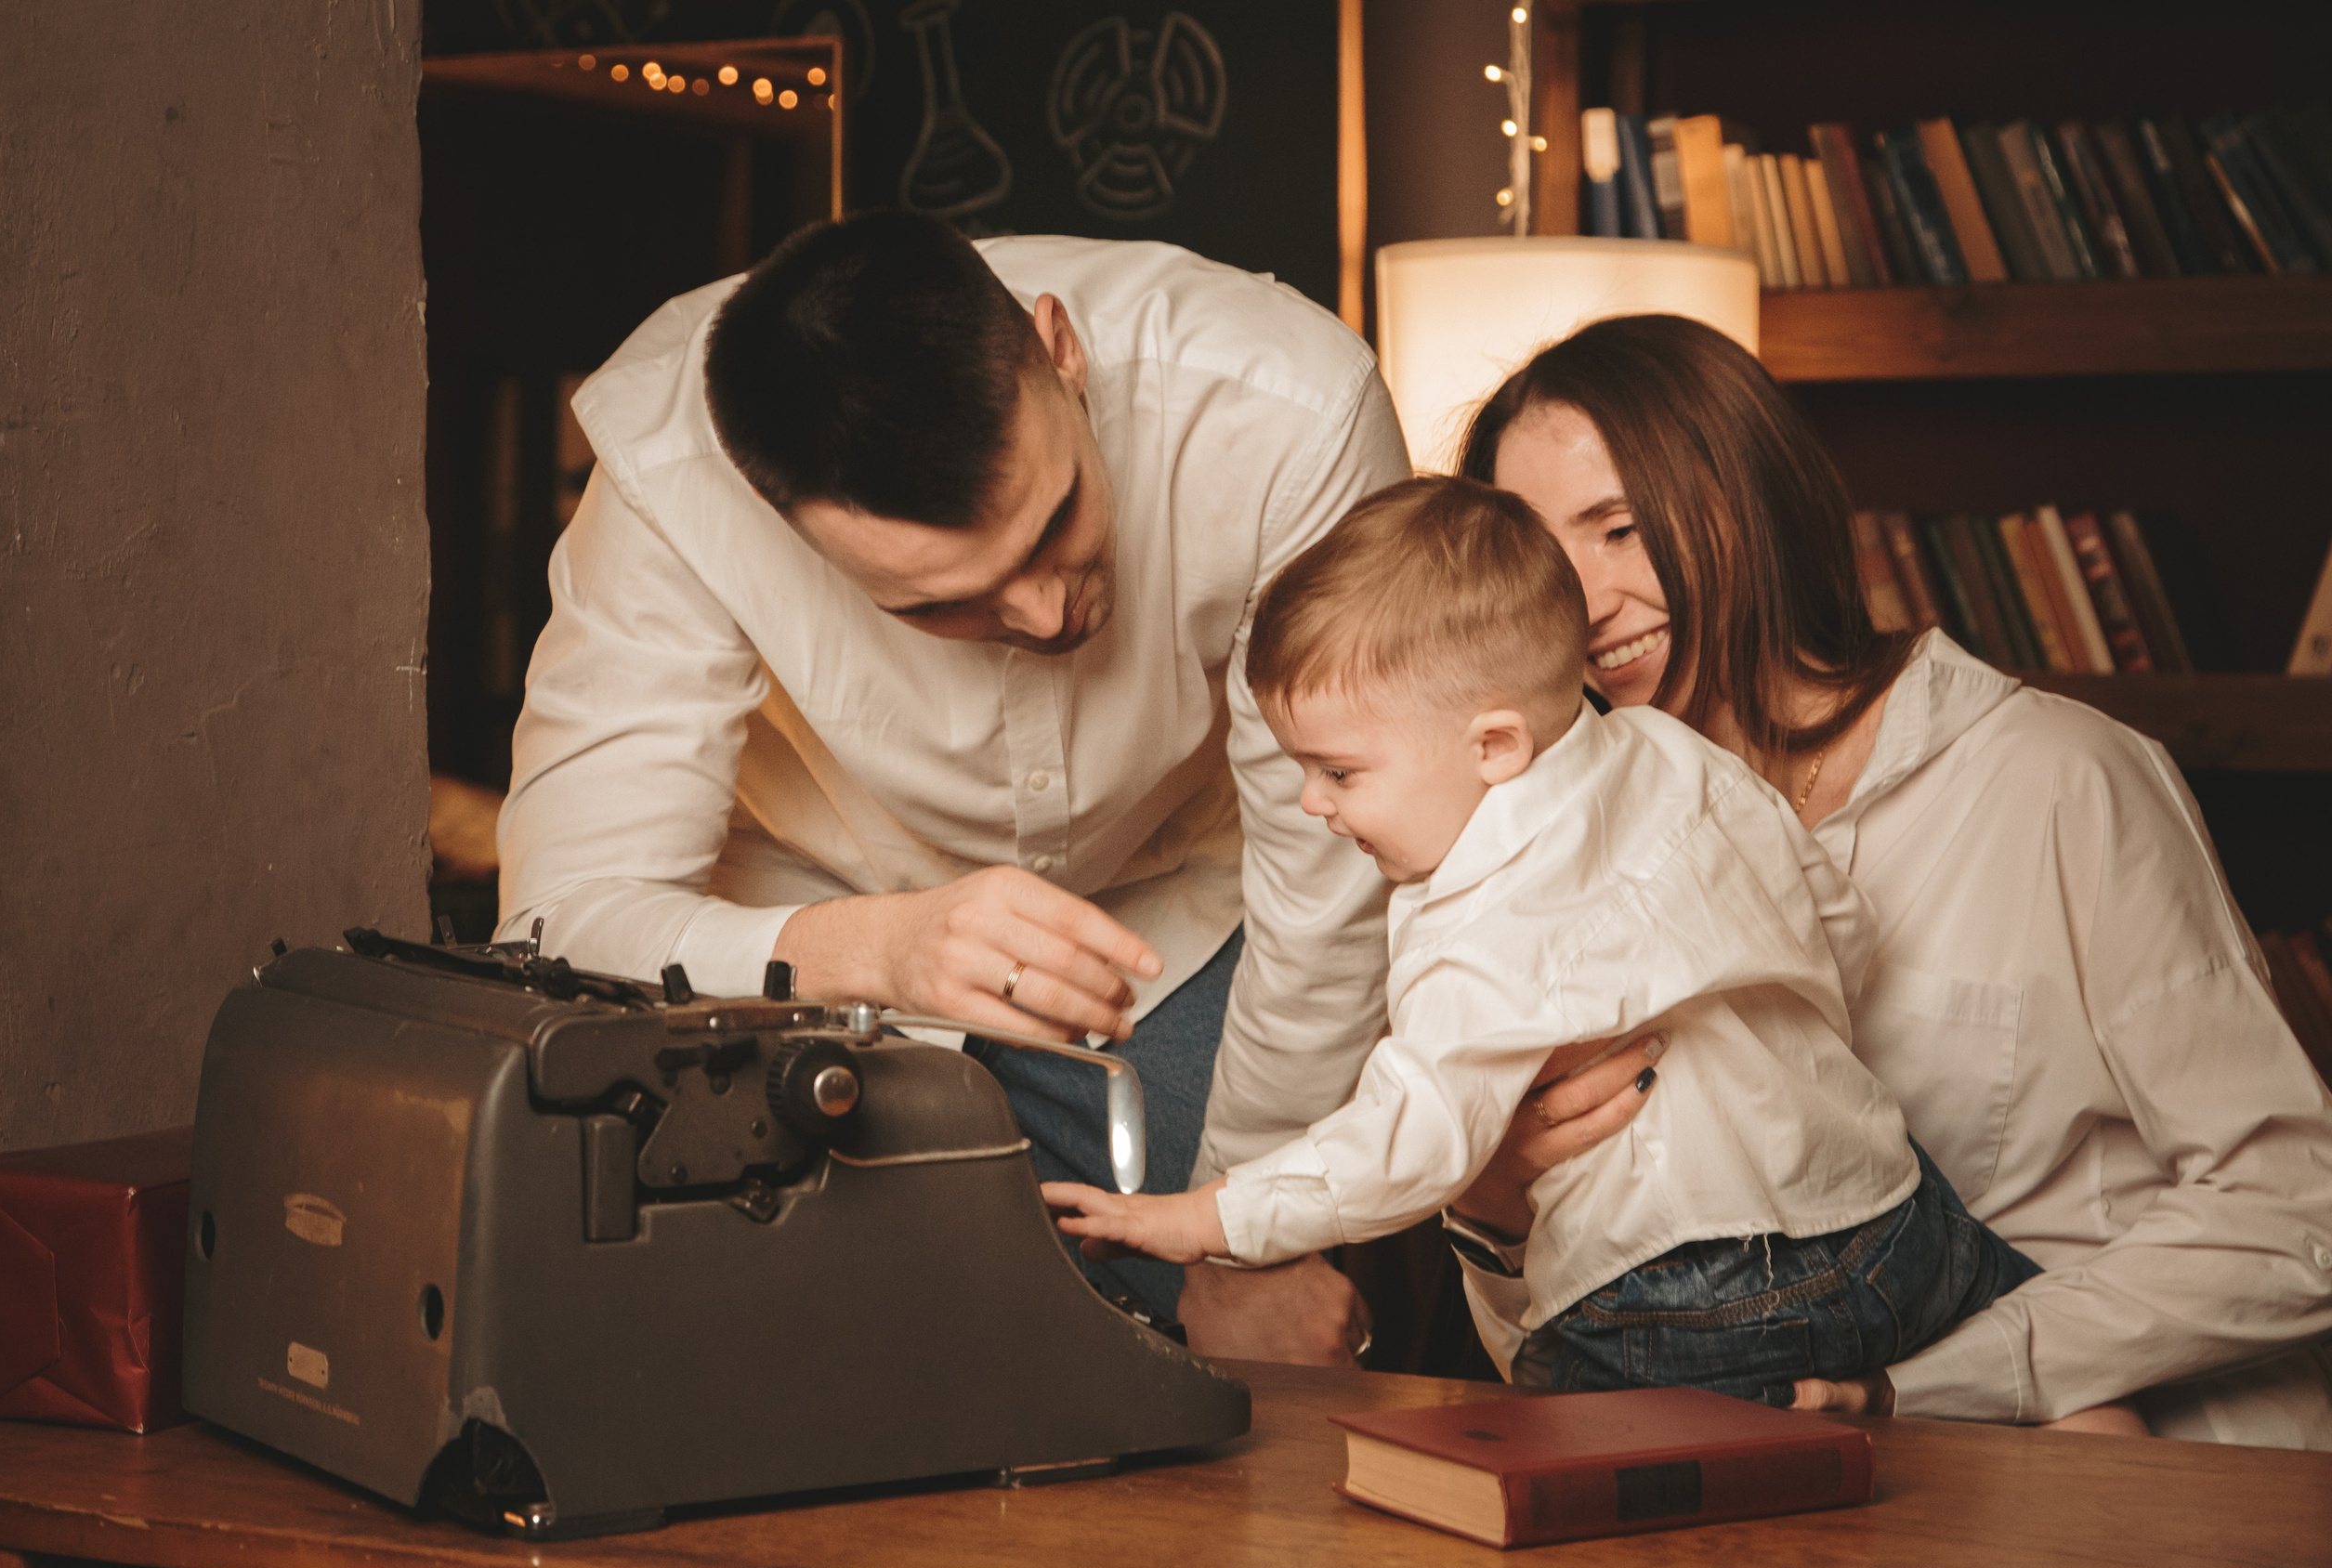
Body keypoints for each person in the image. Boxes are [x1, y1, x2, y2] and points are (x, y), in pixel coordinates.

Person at [494, 211, 1409, 1354]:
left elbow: (1329, 886)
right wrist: (878, 952)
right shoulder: (670, 480)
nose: (1038, 613)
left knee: (1295, 1250)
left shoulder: (1287, 414)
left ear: (1059, 352)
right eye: (936, 606)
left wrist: (1231, 1243)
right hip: (804, 961)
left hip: (1174, 922)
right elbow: (554, 929)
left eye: (1056, 525)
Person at [1447, 313, 2332, 1444]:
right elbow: (1574, 1350)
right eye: (1538, 561)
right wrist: (1492, 1214)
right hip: (1790, 1472)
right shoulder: (1560, 862)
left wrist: (1954, 1378)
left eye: (1619, 530)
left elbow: (2295, 1208)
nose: (1584, 601)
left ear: (1748, 501)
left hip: (2120, 1465)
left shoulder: (2056, 778)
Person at [1043, 476, 2041, 1405]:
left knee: (1565, 1518)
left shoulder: (1473, 923)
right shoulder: (1671, 752)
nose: (1309, 804)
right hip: (1880, 1210)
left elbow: (1405, 1144)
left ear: (1494, 746)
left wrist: (1203, 1219)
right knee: (2030, 1359)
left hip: (1669, 1292)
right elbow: (1834, 918)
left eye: (1337, 772)